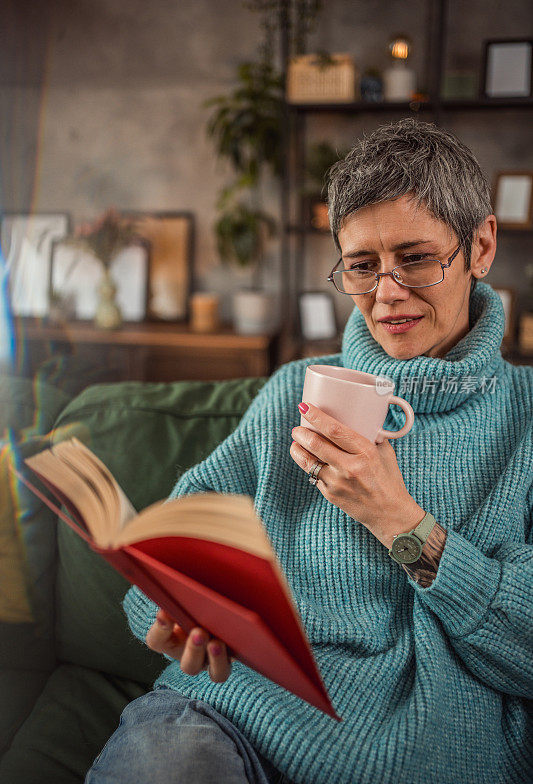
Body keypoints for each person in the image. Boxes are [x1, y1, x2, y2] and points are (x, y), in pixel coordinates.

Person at [86, 118, 533, 784]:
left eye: (414, 259)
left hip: (440, 752)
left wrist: (399, 521)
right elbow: (172, 548)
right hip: (235, 716)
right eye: (360, 267)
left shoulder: (523, 416)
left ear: (481, 246)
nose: (385, 295)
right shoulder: (294, 391)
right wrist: (173, 608)